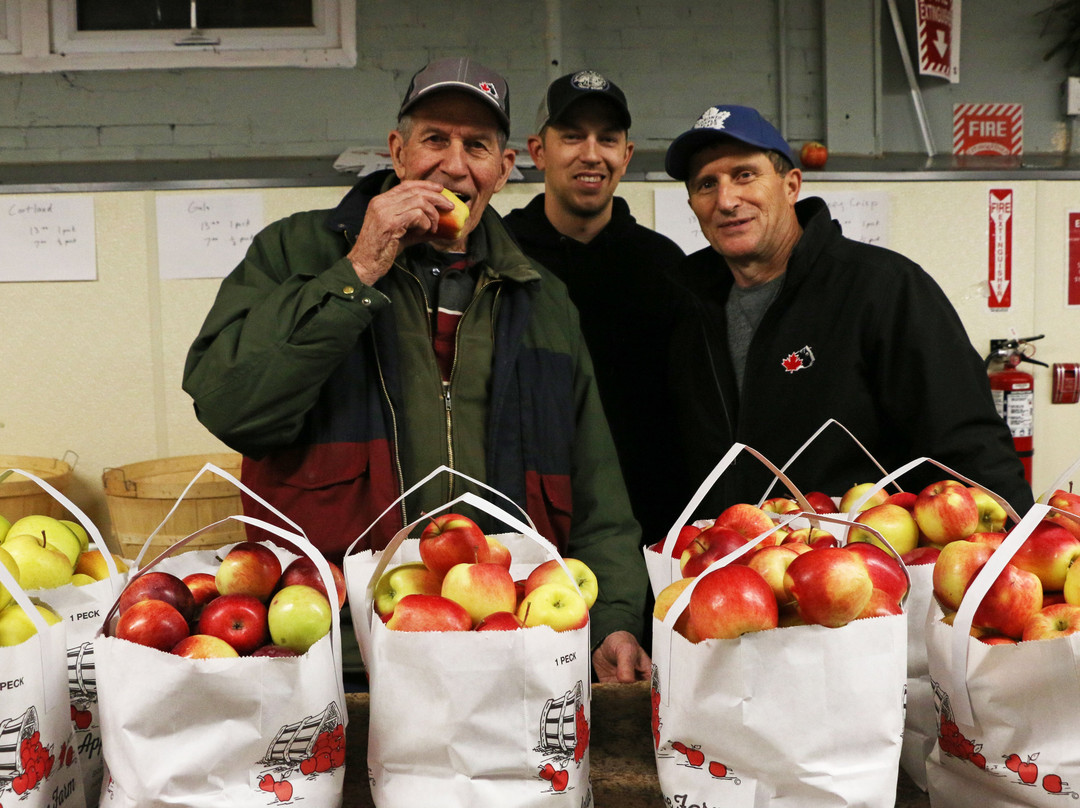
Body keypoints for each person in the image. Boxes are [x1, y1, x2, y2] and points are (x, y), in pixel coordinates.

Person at [182, 57, 650, 683]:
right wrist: (359, 269)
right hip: (334, 647)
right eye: (435, 139)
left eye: (477, 146)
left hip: (508, 642)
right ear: (398, 153)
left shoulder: (541, 298)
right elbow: (229, 405)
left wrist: (615, 618)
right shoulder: (295, 251)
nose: (454, 166)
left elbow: (598, 493)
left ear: (504, 168)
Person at [663, 104, 1034, 516]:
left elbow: (968, 445)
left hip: (861, 552)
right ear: (693, 204)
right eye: (706, 184)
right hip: (723, 551)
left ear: (791, 185)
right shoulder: (684, 304)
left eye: (744, 175)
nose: (727, 200)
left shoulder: (883, 288)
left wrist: (1014, 540)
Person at [504, 70, 690, 548]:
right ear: (537, 151)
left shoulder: (665, 267)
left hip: (650, 524)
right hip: (520, 522)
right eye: (572, 136)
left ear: (626, 155)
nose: (591, 154)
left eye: (607, 139)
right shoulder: (500, 258)